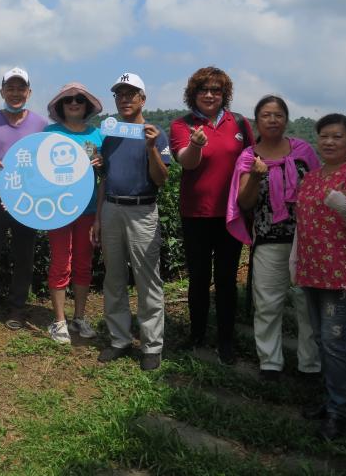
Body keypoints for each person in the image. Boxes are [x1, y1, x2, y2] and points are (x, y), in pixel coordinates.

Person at [294, 114, 346, 440]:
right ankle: (332, 401)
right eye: (324, 136)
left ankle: (340, 412)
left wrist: (344, 208)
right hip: (313, 269)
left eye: (337, 136)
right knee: (322, 340)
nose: (329, 142)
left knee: (335, 343)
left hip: (344, 274)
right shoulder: (313, 178)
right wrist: (294, 259)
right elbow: (303, 223)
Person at [226, 95, 320, 380]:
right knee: (267, 303)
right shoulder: (248, 157)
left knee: (307, 304)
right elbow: (244, 203)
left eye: (278, 115)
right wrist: (255, 176)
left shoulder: (303, 151)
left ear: (286, 119)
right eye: (266, 115)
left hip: (305, 240)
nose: (272, 120)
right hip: (267, 240)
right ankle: (270, 361)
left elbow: (318, 188)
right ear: (257, 121)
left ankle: (310, 364)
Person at [169, 66, 254, 365]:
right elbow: (187, 164)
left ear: (224, 94)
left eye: (216, 90)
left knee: (228, 279)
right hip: (196, 214)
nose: (209, 95)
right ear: (193, 94)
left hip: (231, 215)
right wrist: (196, 144)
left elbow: (251, 165)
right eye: (203, 90)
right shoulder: (183, 125)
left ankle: (226, 340)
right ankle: (197, 336)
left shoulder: (240, 124)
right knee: (199, 278)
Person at [91, 74, 170, 369]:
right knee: (113, 277)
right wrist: (98, 217)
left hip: (142, 211)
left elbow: (162, 180)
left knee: (147, 279)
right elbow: (106, 179)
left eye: (131, 94)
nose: (125, 99)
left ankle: (152, 346)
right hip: (111, 208)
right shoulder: (110, 135)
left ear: (142, 99)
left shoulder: (155, 134)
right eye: (120, 94)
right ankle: (119, 339)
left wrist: (151, 149)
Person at [0, 67, 47, 329]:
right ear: (1, 91)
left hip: (27, 200)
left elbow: (44, 160)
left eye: (20, 88)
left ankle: (17, 308)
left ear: (29, 92)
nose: (15, 93)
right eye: (10, 88)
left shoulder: (40, 124)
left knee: (23, 255)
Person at [42, 83, 104, 344]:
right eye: (69, 100)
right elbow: (39, 172)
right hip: (58, 209)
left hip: (88, 209)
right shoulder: (50, 133)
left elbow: (104, 179)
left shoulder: (97, 135)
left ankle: (79, 317)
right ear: (61, 106)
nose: (74, 103)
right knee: (60, 262)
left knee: (82, 263)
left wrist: (101, 163)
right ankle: (59, 321)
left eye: (79, 99)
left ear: (86, 105)